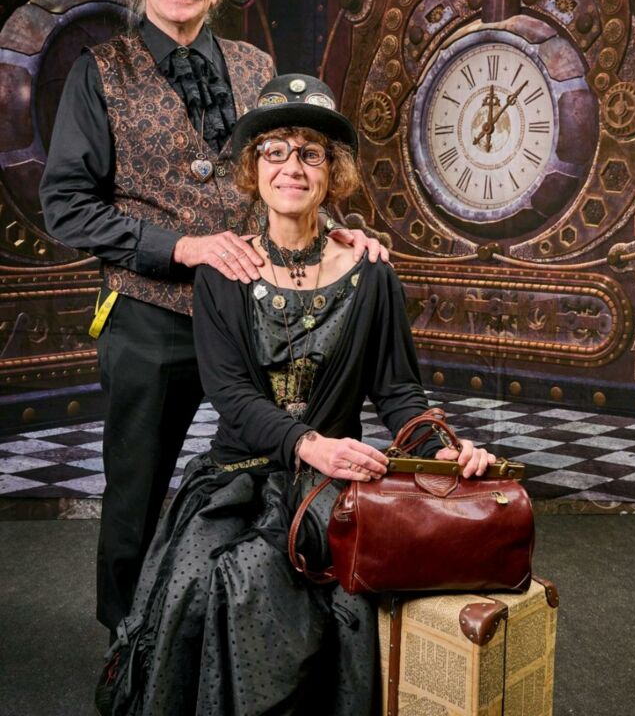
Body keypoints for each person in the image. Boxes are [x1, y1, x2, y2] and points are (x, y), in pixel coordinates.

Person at [38, 0, 383, 635]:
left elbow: (292, 172)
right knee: (136, 492)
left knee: (269, 472)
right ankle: (127, 640)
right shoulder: (100, 72)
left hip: (254, 312)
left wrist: (339, 229)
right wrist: (182, 246)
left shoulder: (257, 67)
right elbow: (65, 206)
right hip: (148, 317)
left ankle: (259, 628)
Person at [95, 74, 496, 716]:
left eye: (310, 153)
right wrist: (309, 445)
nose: (292, 167)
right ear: (253, 170)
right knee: (220, 577)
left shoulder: (371, 273)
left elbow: (398, 391)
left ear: (332, 172)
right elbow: (231, 395)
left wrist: (440, 449)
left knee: (343, 589)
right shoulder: (224, 270)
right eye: (274, 152)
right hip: (239, 477)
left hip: (336, 484)